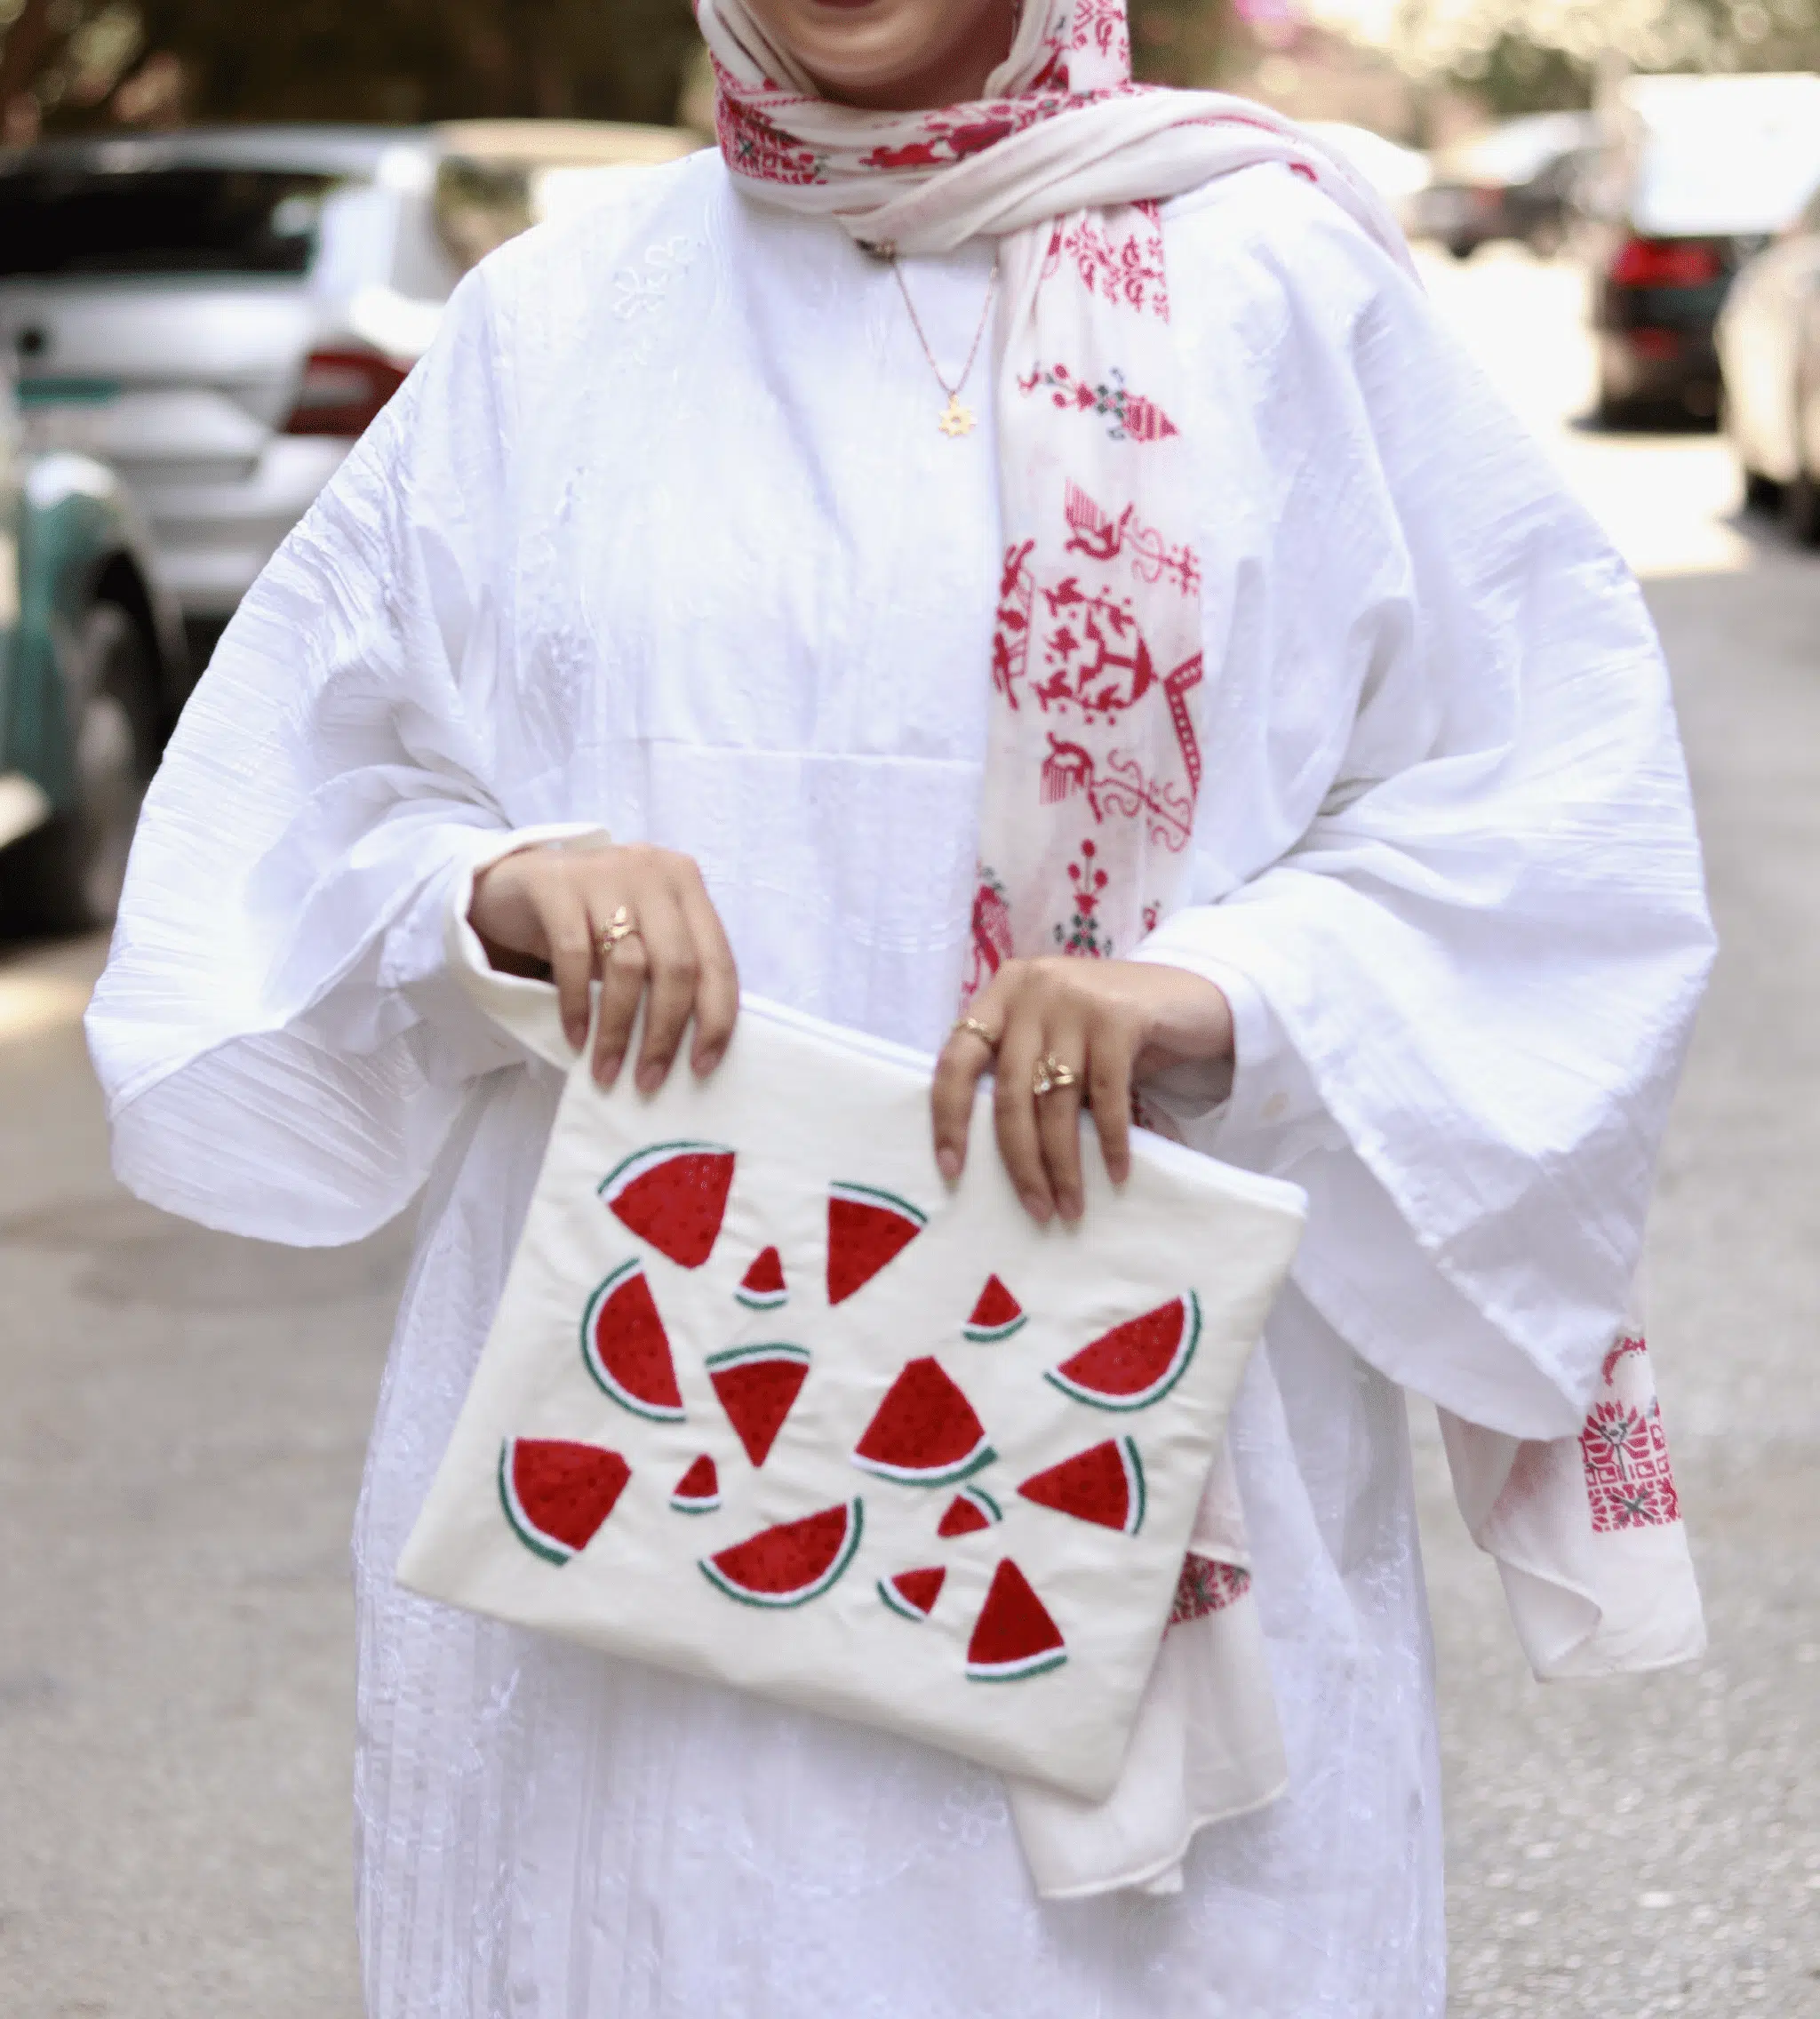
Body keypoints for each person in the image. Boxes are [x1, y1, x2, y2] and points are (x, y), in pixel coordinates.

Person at [84, 0, 1715, 2011]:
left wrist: (1220, 986)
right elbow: (296, 806)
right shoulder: (558, 326)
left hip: (1116, 1451)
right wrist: (491, 885)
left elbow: (1549, 821)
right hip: (646, 1487)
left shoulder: (1283, 294)